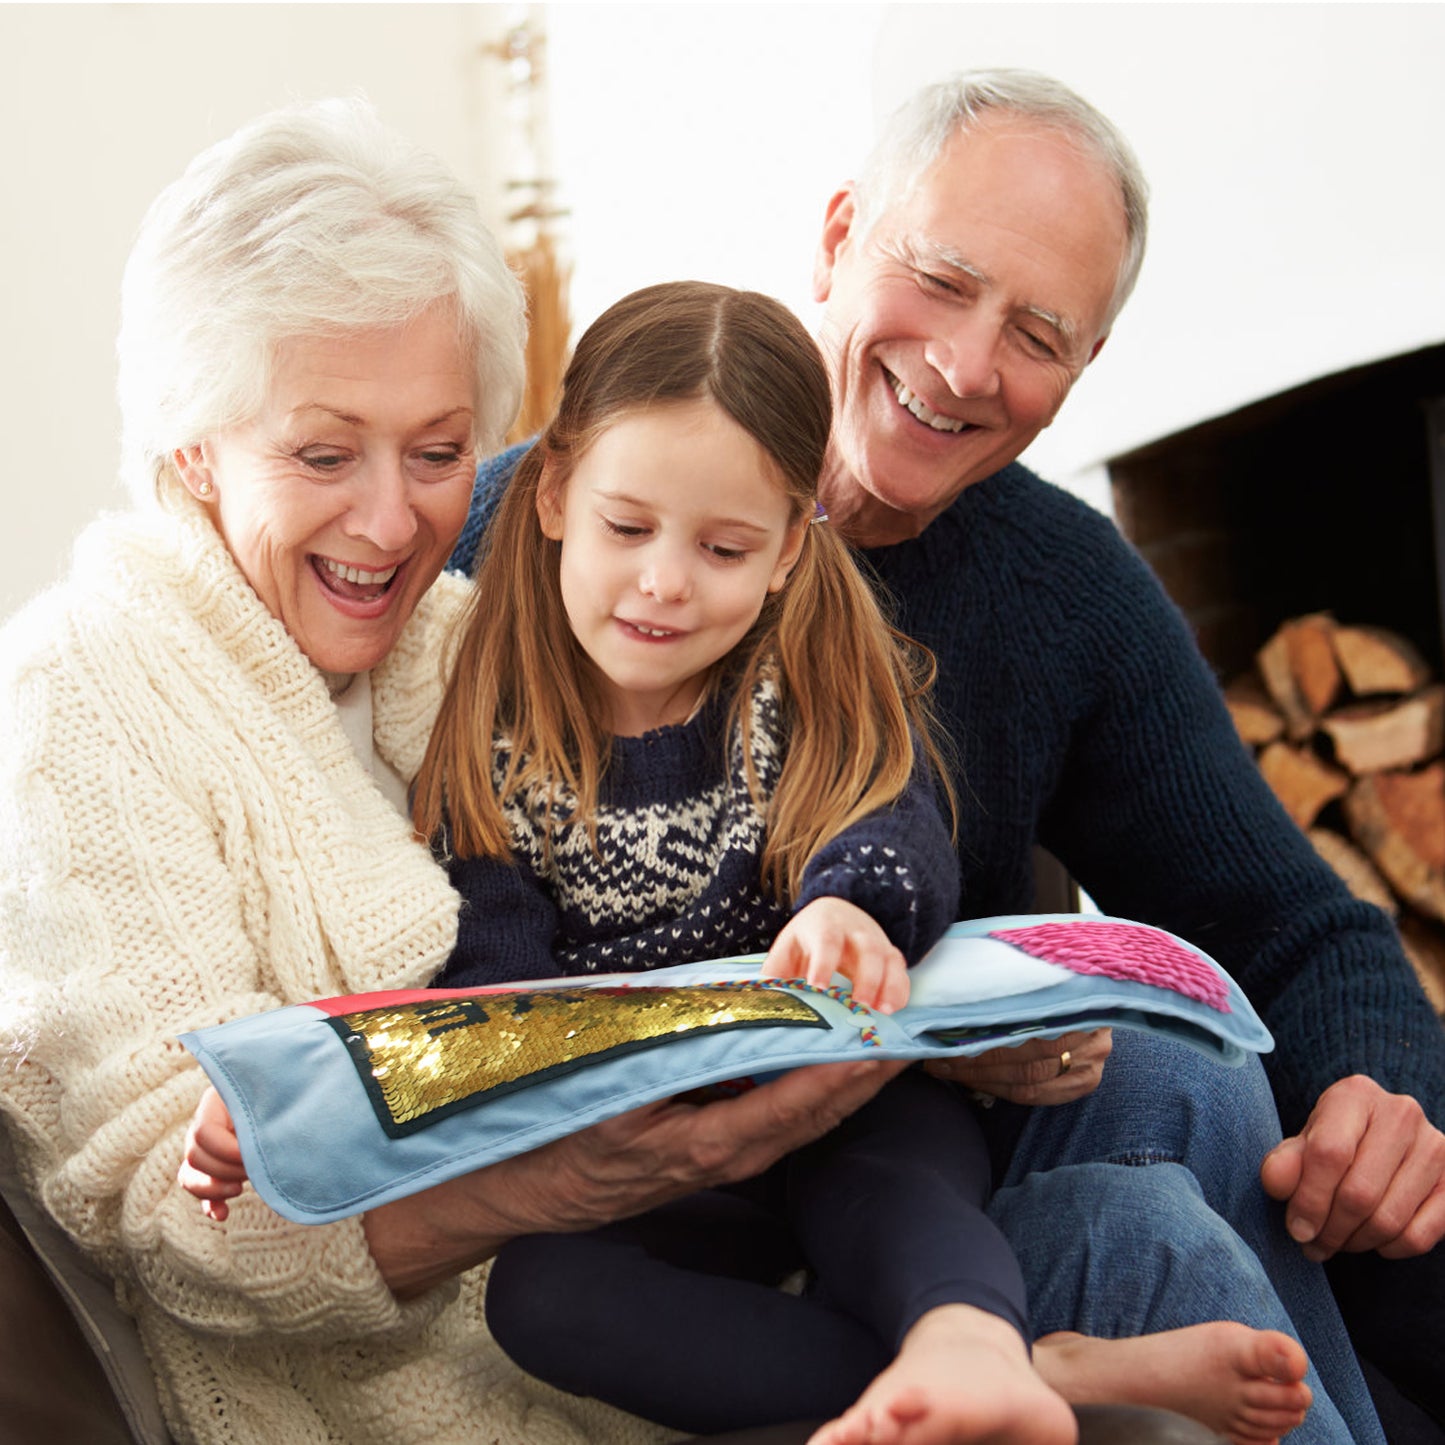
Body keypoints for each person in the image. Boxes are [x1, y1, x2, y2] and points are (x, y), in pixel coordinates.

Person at [447, 69, 1432, 1445]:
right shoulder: (520, 538)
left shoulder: (1059, 590)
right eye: (942, 279)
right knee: (1143, 1208)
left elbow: (1289, 920)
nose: (968, 365)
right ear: (839, 236)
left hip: (891, 1140)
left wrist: (1379, 1090)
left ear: (1081, 370)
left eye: (1036, 333)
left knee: (1198, 1082)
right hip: (636, 1181)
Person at [185, 279, 1321, 1445]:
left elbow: (891, 823)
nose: (665, 581)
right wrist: (303, 1103)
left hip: (830, 1106)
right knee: (541, 1297)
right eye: (628, 529)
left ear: (786, 548)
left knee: (891, 1169)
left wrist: (852, 910)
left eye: (722, 547)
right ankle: (1047, 1365)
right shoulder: (488, 728)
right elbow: (485, 994)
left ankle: (967, 1338)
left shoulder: (794, 692)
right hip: (657, 1169)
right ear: (555, 493)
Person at [0, 99, 909, 1445]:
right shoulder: (76, 694)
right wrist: (547, 1186)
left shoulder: (465, 642)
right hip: (381, 1397)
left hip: (671, 1304)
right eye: (322, 454)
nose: (391, 520)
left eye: (436, 453)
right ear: (190, 445)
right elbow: (169, 1220)